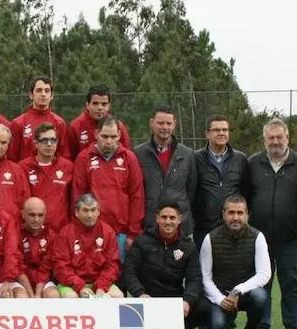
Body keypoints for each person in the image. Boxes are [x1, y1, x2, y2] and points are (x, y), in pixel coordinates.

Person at [247, 118, 297, 329]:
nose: (275, 142)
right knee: (263, 284)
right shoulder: (253, 163)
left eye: (279, 137)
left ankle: (293, 326)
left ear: (287, 138)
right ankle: (263, 325)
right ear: (264, 140)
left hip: (291, 237)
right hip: (260, 238)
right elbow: (245, 197)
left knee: (293, 283)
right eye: (270, 138)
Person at [199, 195, 271, 329]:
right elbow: (205, 277)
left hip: (245, 293)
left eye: (240, 213)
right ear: (223, 214)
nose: (235, 217)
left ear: (247, 215)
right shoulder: (210, 238)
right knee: (216, 324)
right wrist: (220, 299)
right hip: (221, 295)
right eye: (231, 213)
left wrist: (238, 290)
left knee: (260, 297)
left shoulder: (258, 237)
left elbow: (264, 274)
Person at [122, 202, 207, 329]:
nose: (168, 222)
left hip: (174, 298)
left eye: (172, 218)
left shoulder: (188, 245)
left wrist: (187, 301)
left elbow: (194, 278)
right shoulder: (142, 240)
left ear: (179, 219)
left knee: (204, 307)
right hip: (146, 297)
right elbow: (129, 271)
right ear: (157, 219)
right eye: (164, 217)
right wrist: (140, 293)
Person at [73, 117, 145, 261]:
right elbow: (77, 196)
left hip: (121, 233)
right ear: (96, 134)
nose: (109, 141)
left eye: (113, 136)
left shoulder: (129, 158)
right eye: (105, 136)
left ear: (119, 135)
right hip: (92, 231)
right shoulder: (84, 158)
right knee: (93, 274)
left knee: (120, 276)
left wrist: (133, 233)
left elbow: (137, 196)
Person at [134, 105, 197, 236]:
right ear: (151, 123)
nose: (165, 127)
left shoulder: (187, 154)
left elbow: (192, 189)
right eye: (160, 123)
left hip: (181, 226)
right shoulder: (138, 153)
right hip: (150, 225)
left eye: (169, 123)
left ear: (175, 124)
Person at [192, 115, 250, 248]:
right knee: (205, 268)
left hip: (233, 228)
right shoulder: (195, 159)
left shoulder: (240, 159)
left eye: (225, 130)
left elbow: (246, 191)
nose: (221, 133)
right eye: (217, 130)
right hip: (204, 229)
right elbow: (191, 190)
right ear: (207, 133)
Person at [52, 193, 123, 298]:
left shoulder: (108, 232)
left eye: (93, 210)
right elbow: (61, 267)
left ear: (98, 212)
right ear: (77, 212)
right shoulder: (65, 233)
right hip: (71, 284)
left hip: (100, 283)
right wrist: (80, 287)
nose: (90, 215)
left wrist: (101, 286)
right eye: (85, 210)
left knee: (118, 296)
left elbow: (112, 265)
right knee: (71, 297)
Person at [19, 123, 74, 231]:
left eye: (53, 140)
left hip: (60, 231)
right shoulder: (23, 167)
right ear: (35, 143)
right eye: (44, 141)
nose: (49, 144)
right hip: (33, 232)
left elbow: (73, 199)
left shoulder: (68, 167)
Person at [8, 76, 69, 161]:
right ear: (31, 95)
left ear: (51, 96)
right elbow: (12, 157)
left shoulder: (59, 123)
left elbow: (64, 156)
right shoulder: (18, 123)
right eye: (39, 90)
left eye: (47, 91)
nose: (43, 94)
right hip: (25, 173)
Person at [68, 84, 131, 159]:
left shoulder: (118, 126)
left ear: (109, 106)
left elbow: (127, 154)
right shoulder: (75, 126)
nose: (100, 108)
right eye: (95, 103)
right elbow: (72, 158)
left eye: (104, 104)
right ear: (87, 105)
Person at [17, 198, 58, 298]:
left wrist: (38, 294)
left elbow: (46, 268)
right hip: (21, 281)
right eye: (32, 215)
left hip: (43, 281)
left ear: (45, 215)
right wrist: (32, 296)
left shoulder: (51, 235)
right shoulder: (15, 233)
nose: (36, 219)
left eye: (40, 215)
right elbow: (18, 268)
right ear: (23, 214)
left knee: (53, 295)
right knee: (21, 297)